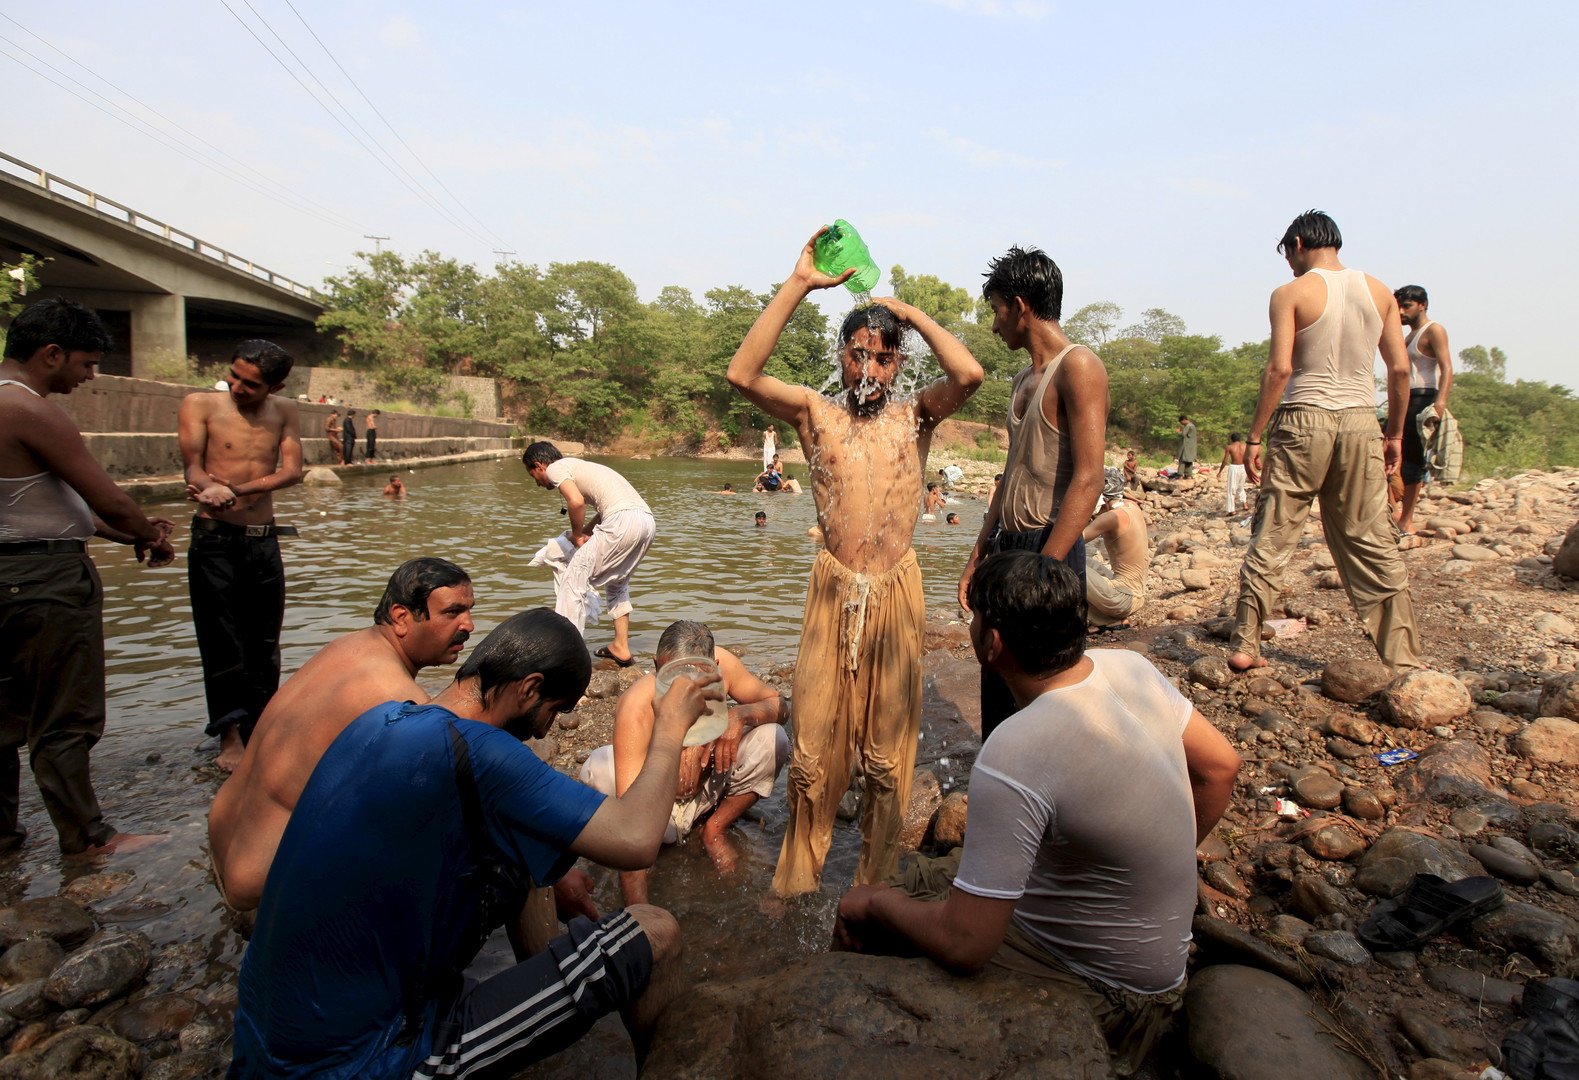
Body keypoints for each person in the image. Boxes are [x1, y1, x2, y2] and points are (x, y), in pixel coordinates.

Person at [229, 608, 717, 1078]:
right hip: (369, 1061)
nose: (547, 729)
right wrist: (670, 727)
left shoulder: (382, 721)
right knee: (655, 931)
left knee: (520, 860)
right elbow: (636, 838)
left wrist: (551, 872)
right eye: (555, 711)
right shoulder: (485, 753)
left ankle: (548, 1005)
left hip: (262, 1044)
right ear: (529, 689)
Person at [834, 551, 1240, 1075]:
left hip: (1109, 998)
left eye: (975, 619)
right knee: (911, 872)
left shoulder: (1017, 749)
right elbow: (1221, 767)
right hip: (1159, 968)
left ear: (993, 643)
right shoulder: (1131, 668)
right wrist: (1148, 868)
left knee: (868, 902)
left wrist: (869, 906)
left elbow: (965, 946)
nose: (974, 629)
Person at [727, 227, 983, 897]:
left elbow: (969, 374)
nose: (868, 370)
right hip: (832, 590)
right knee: (811, 745)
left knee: (888, 750)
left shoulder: (916, 417)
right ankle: (797, 880)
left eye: (884, 358)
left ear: (900, 365)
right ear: (839, 358)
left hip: (895, 590)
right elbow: (741, 374)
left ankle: (870, 886)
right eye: (857, 356)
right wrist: (798, 285)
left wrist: (912, 315)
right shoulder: (814, 416)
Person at [0, 298, 175, 857]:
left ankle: (4, 837)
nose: (90, 376)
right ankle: (87, 838)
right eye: (86, 363)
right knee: (64, 715)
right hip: (44, 581)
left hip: (9, 573)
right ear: (51, 354)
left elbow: (35, 503)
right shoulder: (29, 409)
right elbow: (108, 496)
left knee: (4, 718)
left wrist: (119, 531)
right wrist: (146, 533)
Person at [208, 558, 475, 912]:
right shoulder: (395, 695)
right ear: (400, 617)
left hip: (223, 850)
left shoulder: (344, 648)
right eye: (452, 613)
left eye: (469, 611)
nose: (469, 625)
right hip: (263, 892)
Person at [1230, 210, 1423, 672]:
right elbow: (1399, 370)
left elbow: (1280, 369)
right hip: (1360, 419)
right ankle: (1402, 658)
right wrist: (1393, 432)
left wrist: (1255, 435)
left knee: (1275, 530)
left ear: (1297, 243)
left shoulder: (1291, 293)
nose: (1289, 265)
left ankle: (1246, 644)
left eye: (1288, 255)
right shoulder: (1379, 291)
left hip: (1303, 418)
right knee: (1371, 538)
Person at [959, 245, 1108, 742]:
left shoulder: (1079, 366)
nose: (995, 324)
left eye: (997, 310)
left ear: (1020, 306)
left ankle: (1055, 796)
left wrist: (1048, 566)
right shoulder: (1024, 378)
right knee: (996, 668)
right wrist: (981, 549)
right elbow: (1010, 473)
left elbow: (1089, 477)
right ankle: (1002, 776)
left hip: (1051, 544)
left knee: (1050, 687)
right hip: (1009, 544)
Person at [582, 620, 788, 901]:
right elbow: (630, 820)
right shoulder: (635, 706)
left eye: (699, 678)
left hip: (708, 790)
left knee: (774, 738)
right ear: (656, 668)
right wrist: (639, 916)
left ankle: (714, 828)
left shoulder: (724, 666)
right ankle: (655, 847)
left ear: (714, 665)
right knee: (597, 768)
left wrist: (739, 716)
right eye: (674, 679)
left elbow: (780, 705)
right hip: (657, 809)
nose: (687, 690)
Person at [178, 340, 304, 772]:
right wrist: (206, 487)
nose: (237, 388)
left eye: (250, 384)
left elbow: (292, 471)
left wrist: (236, 490)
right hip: (216, 539)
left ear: (276, 385)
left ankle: (261, 728)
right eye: (234, 376)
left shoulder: (283, 411)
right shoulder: (200, 405)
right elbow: (192, 467)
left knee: (265, 642)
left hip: (262, 537)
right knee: (220, 639)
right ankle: (229, 737)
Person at [522, 442, 656, 667]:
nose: (537, 482)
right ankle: (620, 647)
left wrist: (575, 535)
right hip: (646, 522)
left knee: (573, 579)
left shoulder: (555, 468)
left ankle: (565, 654)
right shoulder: (580, 467)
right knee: (617, 583)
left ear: (539, 465)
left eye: (533, 475)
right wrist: (584, 533)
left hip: (622, 520)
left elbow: (576, 502)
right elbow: (606, 512)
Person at [1394, 285, 1453, 536]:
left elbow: (1447, 368)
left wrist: (1439, 404)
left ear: (1422, 304)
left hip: (1423, 398)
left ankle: (1406, 521)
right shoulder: (1408, 336)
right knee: (1393, 457)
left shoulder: (1434, 330)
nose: (1400, 312)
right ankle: (1395, 514)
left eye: (1406, 306)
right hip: (1407, 399)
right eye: (1398, 306)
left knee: (1413, 461)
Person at [1082, 468, 1149, 628]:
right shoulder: (1132, 507)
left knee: (1067, 562)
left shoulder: (1111, 518)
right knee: (1084, 560)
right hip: (1135, 595)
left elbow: (1071, 541)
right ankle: (1114, 619)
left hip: (1121, 598)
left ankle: (1105, 619)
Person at [1217, 433, 1249, 514]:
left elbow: (1225, 460)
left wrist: (1220, 471)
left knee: (1231, 489)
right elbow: (1249, 458)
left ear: (1232, 439)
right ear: (1239, 439)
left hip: (1234, 467)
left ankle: (1232, 510)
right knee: (1241, 486)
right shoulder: (1245, 446)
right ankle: (1245, 504)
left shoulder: (1229, 447)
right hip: (1243, 467)